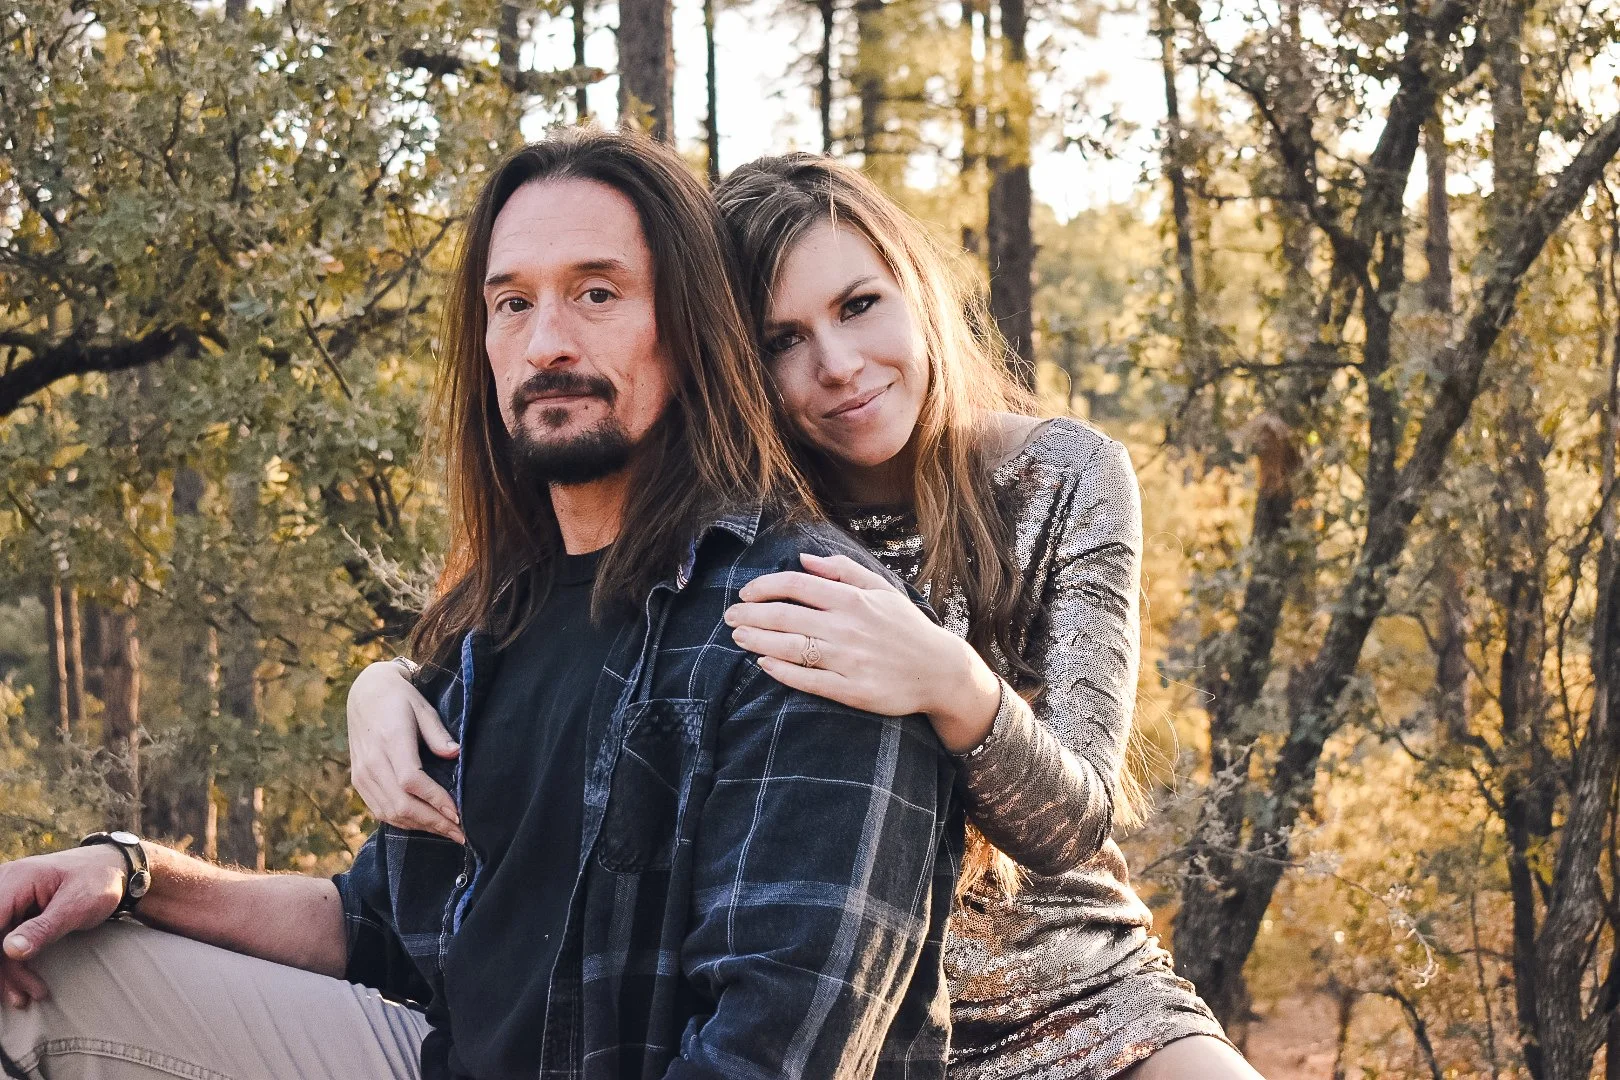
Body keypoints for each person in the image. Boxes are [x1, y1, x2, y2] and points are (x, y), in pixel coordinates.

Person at [0, 130, 964, 1080]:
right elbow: (378, 923)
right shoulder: (499, 622)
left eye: (597, 293)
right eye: (513, 303)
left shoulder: (806, 615)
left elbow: (778, 1052)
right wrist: (130, 871)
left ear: (691, 326)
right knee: (35, 966)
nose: (547, 343)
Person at [349, 152, 1268, 1080]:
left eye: (860, 305)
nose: (838, 367)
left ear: (917, 291)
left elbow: (1076, 826)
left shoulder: (1064, 477)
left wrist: (952, 683)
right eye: (783, 339)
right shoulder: (741, 527)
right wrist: (386, 683)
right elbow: (546, 633)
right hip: (876, 1033)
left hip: (1089, 1002)